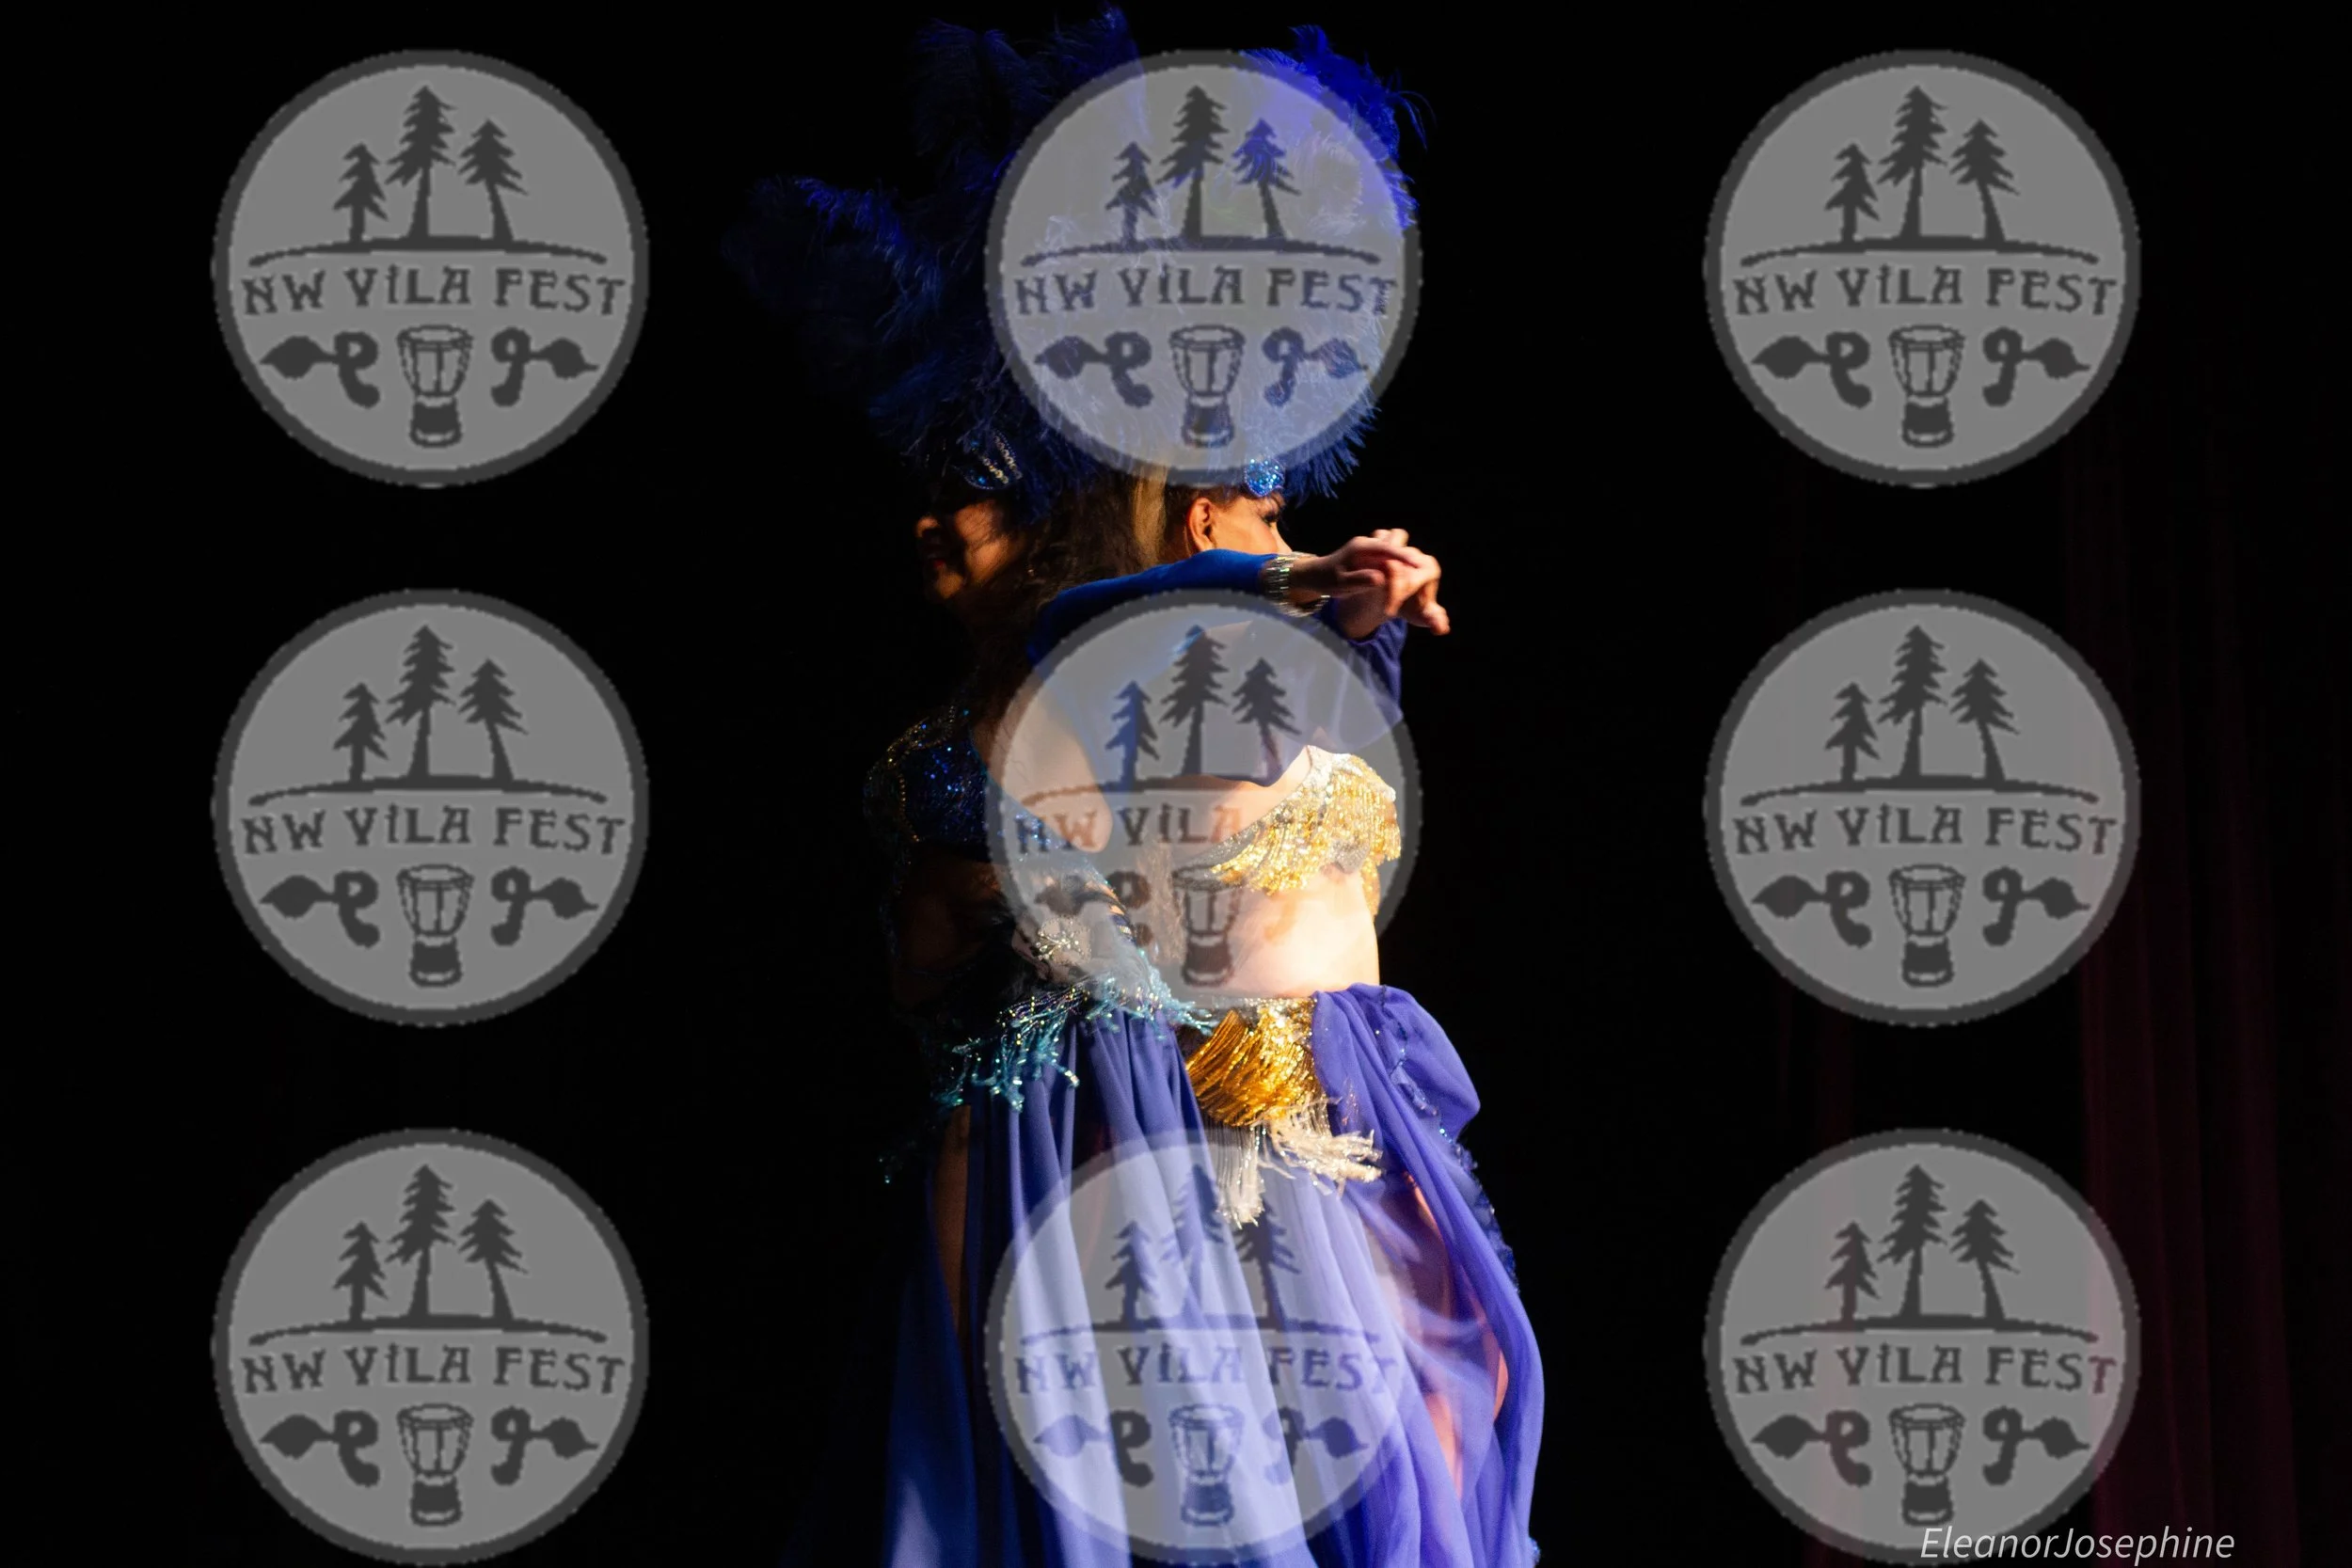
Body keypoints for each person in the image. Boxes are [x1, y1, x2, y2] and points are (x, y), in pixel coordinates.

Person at [730, 13, 1539, 1563]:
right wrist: (1300, 584)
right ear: (1182, 513)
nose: (1281, 513)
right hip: (1156, 1112)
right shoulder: (1132, 655)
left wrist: (1348, 607)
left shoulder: (1294, 646)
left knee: (1452, 1417)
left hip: (1335, 1098)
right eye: (1246, 498)